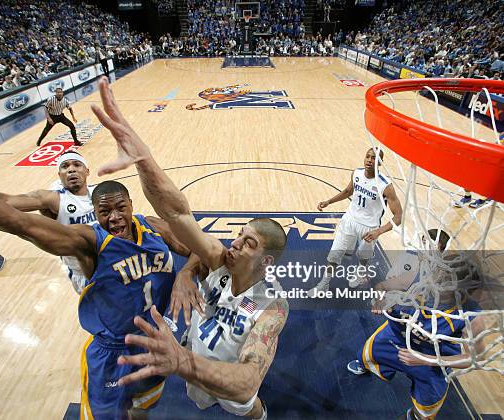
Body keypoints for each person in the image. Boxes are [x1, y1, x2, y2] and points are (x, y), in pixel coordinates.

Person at [0, 150, 201, 419]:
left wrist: (186, 274)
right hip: (111, 353)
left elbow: (200, 248)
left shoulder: (152, 227)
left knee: (142, 407)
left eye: (121, 208)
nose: (116, 218)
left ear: (131, 204)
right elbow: (15, 218)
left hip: (156, 343)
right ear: (95, 212)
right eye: (105, 212)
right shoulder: (88, 238)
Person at [90, 77, 289, 419]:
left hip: (220, 375)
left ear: (265, 260)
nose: (236, 243)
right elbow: (178, 213)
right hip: (193, 359)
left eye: (248, 243)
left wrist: (182, 362)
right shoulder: (217, 261)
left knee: (248, 407)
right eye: (239, 235)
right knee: (199, 399)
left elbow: (245, 381)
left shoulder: (273, 307)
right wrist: (143, 158)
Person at [347, 229, 489, 420]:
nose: (435, 280)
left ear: (460, 290)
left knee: (425, 412)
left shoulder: (472, 317)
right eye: (439, 274)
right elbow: (381, 287)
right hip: (398, 336)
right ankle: (365, 365)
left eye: (443, 281)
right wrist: (380, 301)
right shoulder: (419, 279)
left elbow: (475, 358)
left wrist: (425, 359)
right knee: (367, 354)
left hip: (433, 356)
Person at [311, 148, 402, 292]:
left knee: (363, 257)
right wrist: (329, 201)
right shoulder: (357, 173)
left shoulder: (386, 186)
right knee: (334, 254)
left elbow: (398, 217)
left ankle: (360, 273)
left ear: (380, 162)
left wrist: (378, 231)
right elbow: (348, 191)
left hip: (369, 227)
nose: (370, 160)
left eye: (374, 158)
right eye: (368, 156)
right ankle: (324, 283)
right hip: (349, 221)